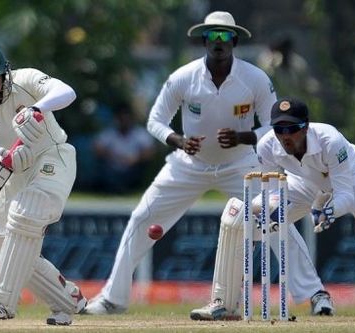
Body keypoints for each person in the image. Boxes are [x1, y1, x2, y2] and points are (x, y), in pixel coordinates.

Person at [82, 11, 333, 320]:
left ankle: (315, 295)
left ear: (234, 41)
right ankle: (113, 299)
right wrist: (179, 140)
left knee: (274, 220)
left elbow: (272, 125)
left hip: (241, 164)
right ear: (203, 40)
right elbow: (155, 121)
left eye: (225, 36)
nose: (218, 42)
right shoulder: (183, 77)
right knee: (140, 218)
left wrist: (243, 136)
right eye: (212, 36)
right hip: (188, 164)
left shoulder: (254, 78)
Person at [0, 42, 87, 325]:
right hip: (14, 174)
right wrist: (8, 158)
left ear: (5, 74)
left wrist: (37, 109)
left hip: (53, 155)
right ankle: (67, 300)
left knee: (25, 213)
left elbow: (67, 92)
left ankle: (0, 300)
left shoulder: (26, 79)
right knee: (7, 249)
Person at [254, 96, 355, 322]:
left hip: (351, 177)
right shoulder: (267, 146)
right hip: (303, 182)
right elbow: (273, 193)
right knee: (259, 214)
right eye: (279, 128)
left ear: (305, 126)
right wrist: (272, 212)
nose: (285, 135)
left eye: (292, 128)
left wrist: (328, 211)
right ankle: (316, 295)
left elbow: (345, 194)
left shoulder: (330, 140)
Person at [93, 102, 156, 193]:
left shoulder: (140, 133)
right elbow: (97, 148)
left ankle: (128, 188)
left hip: (133, 169)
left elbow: (150, 151)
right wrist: (112, 156)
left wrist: (135, 159)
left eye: (126, 117)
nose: (123, 121)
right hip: (112, 168)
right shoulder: (109, 133)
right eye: (120, 118)